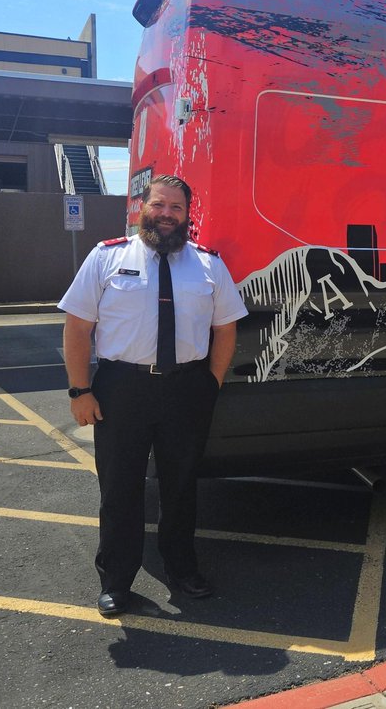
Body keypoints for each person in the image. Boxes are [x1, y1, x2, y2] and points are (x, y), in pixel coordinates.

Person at [60, 174, 248, 618]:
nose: (167, 215)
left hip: (186, 389)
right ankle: (116, 581)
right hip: (121, 389)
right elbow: (77, 328)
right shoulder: (107, 258)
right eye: (159, 205)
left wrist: (211, 383)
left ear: (188, 215)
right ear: (141, 208)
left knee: (181, 487)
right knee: (120, 488)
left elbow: (226, 330)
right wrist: (80, 390)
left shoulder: (207, 265)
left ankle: (183, 569)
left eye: (177, 208)